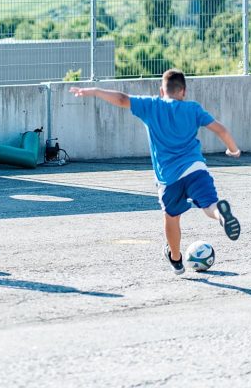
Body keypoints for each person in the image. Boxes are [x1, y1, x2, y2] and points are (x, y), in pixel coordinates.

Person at [70, 69, 241, 275]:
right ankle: (221, 216)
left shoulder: (151, 106)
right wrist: (233, 149)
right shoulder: (193, 109)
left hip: (169, 179)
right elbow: (221, 129)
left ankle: (176, 260)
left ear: (162, 90)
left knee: (171, 216)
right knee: (209, 205)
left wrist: (95, 91)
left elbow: (122, 99)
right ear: (183, 91)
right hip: (196, 169)